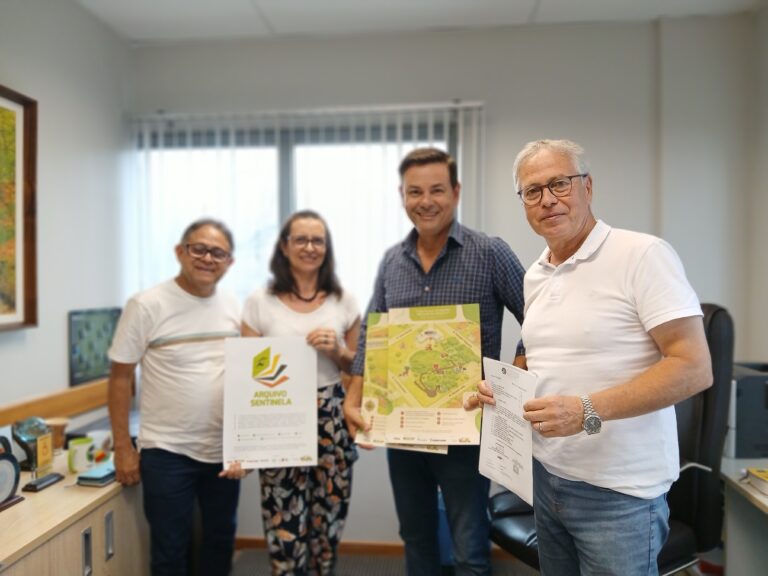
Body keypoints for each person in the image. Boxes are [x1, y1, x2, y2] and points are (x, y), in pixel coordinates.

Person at [470, 139, 713, 575]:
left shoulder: (642, 255)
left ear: (588, 186)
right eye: (532, 191)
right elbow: (542, 360)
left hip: (619, 495)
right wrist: (501, 391)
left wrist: (585, 410)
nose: (547, 199)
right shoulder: (536, 274)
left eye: (559, 184)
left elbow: (693, 368)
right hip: (547, 478)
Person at [343, 147, 526, 576]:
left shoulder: (490, 252)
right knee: (416, 536)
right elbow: (371, 332)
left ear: (456, 192)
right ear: (402, 196)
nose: (426, 201)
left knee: (468, 546)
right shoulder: (392, 261)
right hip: (403, 428)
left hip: (465, 431)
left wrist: (513, 374)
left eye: (437, 190)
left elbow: (538, 315)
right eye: (415, 192)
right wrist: (353, 397)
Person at [108, 218, 246, 576]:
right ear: (180, 252)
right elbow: (120, 378)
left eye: (218, 253)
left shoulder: (235, 307)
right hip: (167, 452)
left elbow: (249, 378)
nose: (207, 258)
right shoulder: (146, 304)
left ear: (229, 262)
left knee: (220, 542)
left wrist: (247, 445)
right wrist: (123, 447)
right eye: (198, 249)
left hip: (222, 451)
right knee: (170, 550)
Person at [242, 209, 361, 576]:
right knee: (284, 523)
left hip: (331, 416)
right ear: (284, 246)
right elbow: (247, 376)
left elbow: (360, 367)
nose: (310, 247)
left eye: (318, 240)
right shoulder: (259, 301)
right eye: (301, 239)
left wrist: (338, 351)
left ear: (327, 247)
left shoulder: (345, 300)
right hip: (278, 416)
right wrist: (243, 444)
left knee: (328, 522)